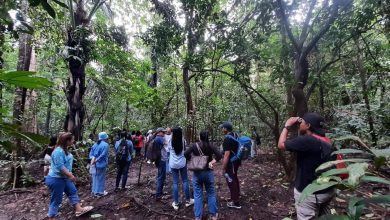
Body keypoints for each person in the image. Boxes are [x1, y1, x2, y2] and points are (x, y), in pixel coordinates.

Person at [278, 112, 335, 220]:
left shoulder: (308, 141)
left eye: (302, 122)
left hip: (310, 193)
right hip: (328, 190)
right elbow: (300, 142)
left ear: (308, 125)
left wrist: (287, 126)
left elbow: (281, 145)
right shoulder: (326, 140)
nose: (300, 123)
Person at [45, 132, 93, 219]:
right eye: (72, 139)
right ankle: (50, 216)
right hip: (56, 179)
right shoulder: (58, 151)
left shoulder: (64, 149)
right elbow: (60, 166)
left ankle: (79, 209)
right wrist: (70, 175)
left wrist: (69, 175)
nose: (74, 141)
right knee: (57, 199)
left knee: (72, 191)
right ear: (67, 141)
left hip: (64, 177)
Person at [185, 131, 222, 220]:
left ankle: (198, 217)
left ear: (200, 137)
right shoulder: (211, 145)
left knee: (197, 195)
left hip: (197, 173)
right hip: (208, 172)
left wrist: (192, 159)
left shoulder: (194, 145)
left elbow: (185, 154)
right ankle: (213, 215)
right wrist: (212, 161)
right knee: (211, 193)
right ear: (207, 137)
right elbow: (219, 155)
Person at [169, 127, 194, 210]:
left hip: (173, 164)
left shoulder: (170, 140)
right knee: (185, 181)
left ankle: (176, 203)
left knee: (175, 183)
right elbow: (185, 151)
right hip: (182, 163)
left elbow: (168, 150)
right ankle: (188, 200)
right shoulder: (183, 140)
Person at [220, 121, 242, 209]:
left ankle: (236, 202)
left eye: (223, 128)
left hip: (231, 162)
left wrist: (223, 168)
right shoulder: (235, 134)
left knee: (230, 180)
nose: (222, 129)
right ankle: (236, 194)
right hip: (237, 160)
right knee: (234, 177)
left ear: (226, 129)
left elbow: (226, 155)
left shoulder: (227, 139)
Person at [90, 132, 109, 197]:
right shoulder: (106, 145)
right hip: (101, 164)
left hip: (94, 165)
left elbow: (91, 155)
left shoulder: (95, 144)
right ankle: (100, 192)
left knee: (95, 178)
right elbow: (103, 155)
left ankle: (94, 191)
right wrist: (97, 160)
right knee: (101, 178)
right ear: (105, 138)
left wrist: (93, 160)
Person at [154, 127, 167, 200]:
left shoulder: (156, 137)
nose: (164, 133)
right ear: (159, 132)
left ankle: (160, 192)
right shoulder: (159, 138)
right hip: (161, 159)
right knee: (161, 177)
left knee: (161, 176)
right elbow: (167, 143)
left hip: (159, 159)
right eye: (163, 132)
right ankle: (158, 194)